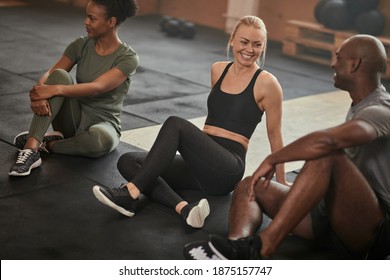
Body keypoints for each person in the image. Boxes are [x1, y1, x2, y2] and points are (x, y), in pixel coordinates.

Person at [183, 34, 390, 259]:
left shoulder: (380, 110)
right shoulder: (359, 103)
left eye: (338, 57)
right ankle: (236, 250)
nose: (333, 63)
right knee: (251, 185)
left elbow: (328, 142)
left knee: (327, 155)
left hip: (370, 231)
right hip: (329, 217)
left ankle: (265, 245)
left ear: (354, 64)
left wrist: (274, 158)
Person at [92, 15, 289, 229]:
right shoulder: (218, 70)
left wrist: (282, 182)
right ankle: (185, 208)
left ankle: (131, 193)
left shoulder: (268, 84)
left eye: (257, 44)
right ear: (232, 40)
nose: (249, 49)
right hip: (199, 162)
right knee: (129, 162)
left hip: (227, 168)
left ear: (263, 47)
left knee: (176, 124)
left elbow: (275, 135)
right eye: (244, 42)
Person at [9, 0, 139, 177]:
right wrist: (39, 92)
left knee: (98, 142)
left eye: (92, 18)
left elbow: (97, 87)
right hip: (72, 118)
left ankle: (48, 144)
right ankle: (31, 148)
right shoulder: (81, 44)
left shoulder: (128, 58)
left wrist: (54, 90)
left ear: (111, 22)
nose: (86, 22)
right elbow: (51, 74)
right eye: (87, 16)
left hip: (103, 124)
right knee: (60, 75)